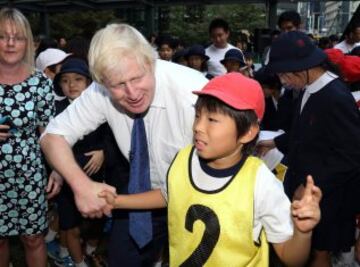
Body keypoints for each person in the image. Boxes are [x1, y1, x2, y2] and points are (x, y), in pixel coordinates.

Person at [99, 72, 322, 266]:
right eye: (197, 116)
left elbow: (291, 258)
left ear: (247, 133)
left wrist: (302, 232)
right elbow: (171, 195)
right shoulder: (184, 158)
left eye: (212, 119)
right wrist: (118, 201)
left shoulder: (260, 183)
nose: (198, 127)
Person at [40, 23, 208, 267]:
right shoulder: (100, 91)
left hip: (200, 197)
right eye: (118, 85)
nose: (132, 93)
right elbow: (52, 136)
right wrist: (82, 185)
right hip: (143, 194)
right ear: (102, 82)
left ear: (151, 62)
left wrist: (116, 201)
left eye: (137, 78)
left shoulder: (193, 94)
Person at [260, 31, 360, 266]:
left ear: (303, 67)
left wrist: (310, 187)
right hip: (305, 185)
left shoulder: (335, 96)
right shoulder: (306, 87)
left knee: (319, 252)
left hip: (326, 194)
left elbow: (351, 155)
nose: (283, 82)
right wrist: (275, 142)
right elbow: (303, 131)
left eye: (285, 75)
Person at [0, 7, 61, 267]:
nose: (11, 43)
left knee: (34, 238)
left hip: (29, 173)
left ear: (28, 42)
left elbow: (49, 133)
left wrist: (57, 170)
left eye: (18, 37)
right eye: (2, 36)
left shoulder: (41, 83)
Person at [52, 57, 108, 267]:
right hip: (66, 178)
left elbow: (111, 136)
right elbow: (49, 141)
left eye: (78, 79)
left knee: (97, 222)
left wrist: (103, 151)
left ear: (89, 82)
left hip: (96, 176)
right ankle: (78, 262)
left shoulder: (102, 106)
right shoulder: (55, 108)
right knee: (70, 224)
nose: (71, 85)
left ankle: (91, 252)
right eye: (65, 80)